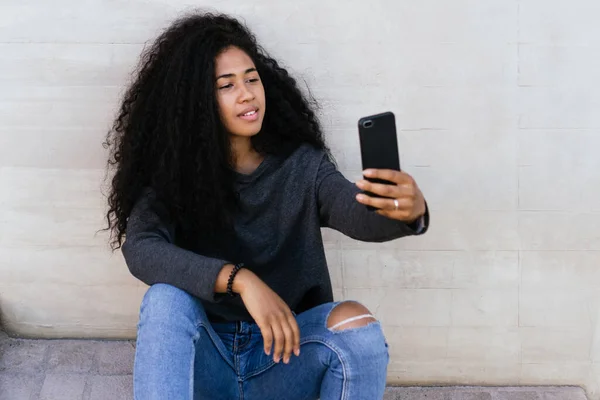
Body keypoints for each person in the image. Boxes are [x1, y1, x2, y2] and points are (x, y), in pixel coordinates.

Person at [103, 11, 429, 400]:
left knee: (357, 326)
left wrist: (407, 211)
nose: (247, 93)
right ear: (194, 101)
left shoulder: (301, 164)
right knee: (164, 300)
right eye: (227, 85)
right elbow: (141, 249)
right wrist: (241, 280)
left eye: (252, 79)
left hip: (284, 358)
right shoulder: (173, 175)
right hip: (209, 361)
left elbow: (353, 211)